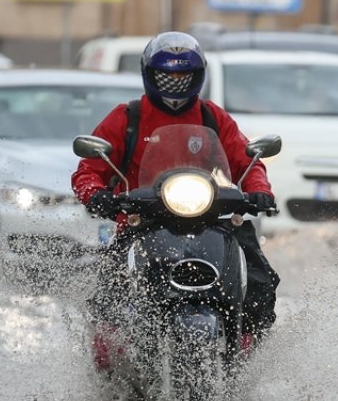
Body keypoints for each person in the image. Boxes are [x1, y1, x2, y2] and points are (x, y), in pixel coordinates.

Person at [71, 31, 280, 340]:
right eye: (166, 75)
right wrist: (97, 195)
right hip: (142, 219)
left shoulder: (212, 117)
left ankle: (247, 343)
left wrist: (259, 191)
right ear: (149, 73)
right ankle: (108, 350)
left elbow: (245, 160)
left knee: (259, 275)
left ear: (197, 75)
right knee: (109, 287)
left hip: (209, 217)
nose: (175, 81)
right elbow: (89, 168)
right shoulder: (127, 118)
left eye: (183, 75)